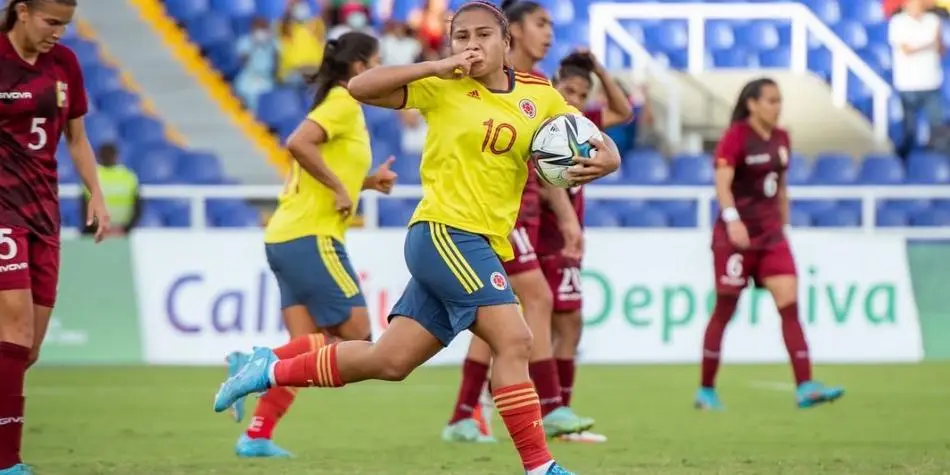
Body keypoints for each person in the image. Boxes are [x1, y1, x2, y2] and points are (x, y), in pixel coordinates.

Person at [212, 2, 620, 474]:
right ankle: (541, 467)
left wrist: (608, 159)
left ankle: (267, 369)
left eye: (483, 35)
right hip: (445, 232)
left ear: (507, 44)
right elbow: (360, 87)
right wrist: (438, 65)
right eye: (460, 36)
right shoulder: (442, 86)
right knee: (514, 339)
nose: (471, 45)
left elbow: (587, 136)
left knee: (389, 359)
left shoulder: (539, 94)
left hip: (481, 242)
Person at [220, 32, 396, 459]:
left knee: (302, 356)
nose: (383, 72)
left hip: (285, 237)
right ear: (358, 68)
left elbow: (316, 166)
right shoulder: (343, 103)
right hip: (312, 238)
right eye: (377, 62)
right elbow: (297, 144)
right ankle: (253, 364)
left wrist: (367, 183)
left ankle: (257, 434)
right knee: (358, 338)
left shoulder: (335, 106)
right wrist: (340, 187)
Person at [442, 0, 591, 444]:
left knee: (497, 320)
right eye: (540, 23)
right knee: (537, 298)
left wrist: (566, 218)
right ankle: (552, 405)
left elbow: (546, 168)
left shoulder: (539, 88)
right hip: (485, 217)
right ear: (513, 32)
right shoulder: (470, 82)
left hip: (518, 215)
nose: (549, 33)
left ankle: (462, 415)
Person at [0, 0, 110, 473]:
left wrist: (97, 194)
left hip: (44, 210)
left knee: (28, 348)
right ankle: (8, 461)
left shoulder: (65, 63)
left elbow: (78, 139)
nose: (58, 33)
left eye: (65, 24)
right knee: (15, 326)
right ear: (21, 11)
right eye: (51, 22)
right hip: (2, 207)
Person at [696, 78, 844, 411]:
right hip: (735, 238)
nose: (777, 107)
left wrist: (783, 225)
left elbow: (781, 187)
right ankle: (706, 389)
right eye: (771, 101)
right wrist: (732, 219)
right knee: (724, 309)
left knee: (790, 305)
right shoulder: (735, 137)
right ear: (752, 104)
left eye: (779, 101)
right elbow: (723, 184)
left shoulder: (782, 138)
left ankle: (806, 386)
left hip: (772, 236)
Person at [538, 50, 632, 444]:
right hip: (540, 238)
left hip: (567, 242)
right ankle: (543, 410)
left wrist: (600, 71)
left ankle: (560, 413)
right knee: (539, 327)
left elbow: (623, 111)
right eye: (567, 90)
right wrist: (567, 220)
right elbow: (543, 184)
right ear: (553, 87)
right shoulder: (544, 124)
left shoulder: (584, 127)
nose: (574, 99)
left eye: (581, 93)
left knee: (569, 324)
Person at [889, 0, 945, 159]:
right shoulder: (897, 22)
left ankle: (939, 163)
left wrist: (937, 42)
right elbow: (906, 49)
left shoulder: (933, 21)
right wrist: (929, 43)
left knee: (937, 127)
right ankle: (905, 165)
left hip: (931, 82)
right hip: (908, 84)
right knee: (910, 130)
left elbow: (940, 50)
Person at [80, 143, 140, 236]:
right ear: (117, 156)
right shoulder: (129, 176)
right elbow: (84, 207)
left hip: (110, 232)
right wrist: (125, 229)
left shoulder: (90, 176)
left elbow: (84, 207)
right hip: (115, 232)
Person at [234, 17, 280, 112]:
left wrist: (269, 44)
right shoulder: (245, 41)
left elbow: (277, 63)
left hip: (266, 79)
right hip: (248, 77)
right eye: (258, 28)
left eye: (263, 28)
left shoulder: (273, 42)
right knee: (243, 93)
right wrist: (253, 45)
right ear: (253, 29)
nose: (261, 31)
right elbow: (242, 61)